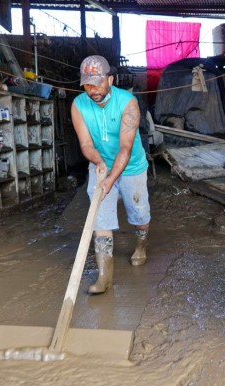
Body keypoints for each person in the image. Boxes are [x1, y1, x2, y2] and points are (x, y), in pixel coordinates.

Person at [71, 55, 151, 294]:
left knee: (139, 213)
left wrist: (110, 179)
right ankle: (104, 276)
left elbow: (126, 148)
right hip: (101, 164)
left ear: (110, 80)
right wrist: (97, 162)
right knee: (100, 216)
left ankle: (141, 245)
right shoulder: (78, 105)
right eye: (88, 85)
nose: (93, 90)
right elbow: (86, 144)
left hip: (132, 166)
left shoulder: (128, 102)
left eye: (97, 83)